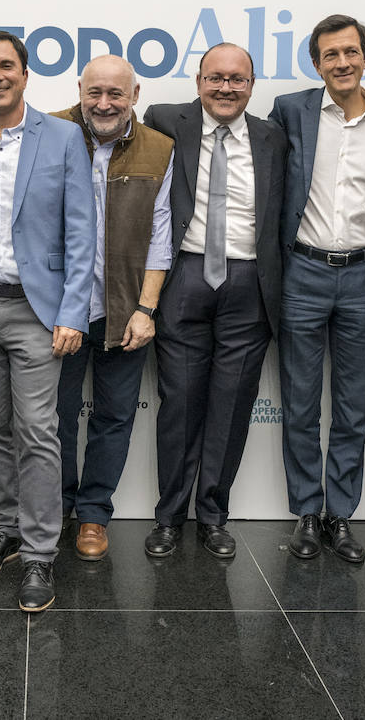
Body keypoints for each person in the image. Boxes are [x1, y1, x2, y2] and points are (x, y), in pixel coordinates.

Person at [0, 30, 95, 612]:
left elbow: (81, 231)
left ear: (25, 75)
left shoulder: (64, 136)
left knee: (37, 432)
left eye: (6, 66)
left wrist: (73, 310)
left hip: (37, 310)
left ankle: (39, 553)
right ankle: (3, 530)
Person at [269, 14, 365, 565]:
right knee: (300, 402)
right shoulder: (290, 111)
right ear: (316, 63)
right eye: (331, 55)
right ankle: (307, 511)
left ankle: (340, 514)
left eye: (351, 52)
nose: (342, 62)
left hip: (364, 275)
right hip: (301, 272)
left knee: (353, 406)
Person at [142, 43, 285, 560]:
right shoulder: (163, 121)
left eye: (237, 79)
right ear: (199, 81)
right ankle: (169, 517)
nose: (226, 88)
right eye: (215, 78)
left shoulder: (273, 137)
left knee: (232, 404)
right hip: (184, 276)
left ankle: (212, 516)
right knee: (180, 403)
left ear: (252, 85)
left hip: (250, 283)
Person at [53, 55, 173, 560]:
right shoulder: (50, 134)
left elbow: (161, 236)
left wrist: (146, 309)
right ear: (80, 90)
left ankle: (93, 515)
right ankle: (56, 508)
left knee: (115, 417)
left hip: (124, 309)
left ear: (135, 95)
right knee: (53, 417)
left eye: (116, 94)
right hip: (60, 309)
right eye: (94, 92)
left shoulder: (159, 148)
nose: (104, 104)